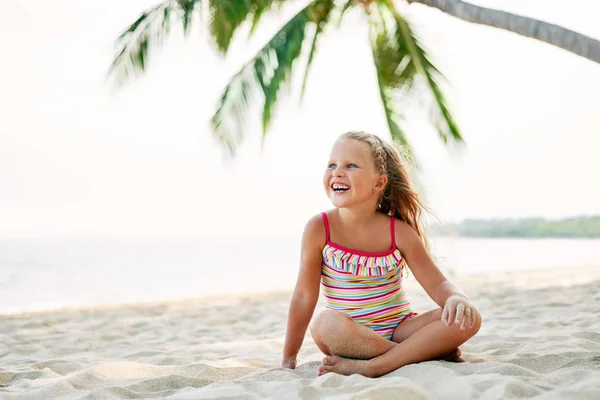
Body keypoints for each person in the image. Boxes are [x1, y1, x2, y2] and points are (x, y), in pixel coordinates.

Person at [281, 131, 482, 378]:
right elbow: (303, 297)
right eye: (332, 165)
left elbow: (439, 283)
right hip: (347, 337)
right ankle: (412, 354)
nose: (337, 172)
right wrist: (288, 359)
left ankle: (376, 365)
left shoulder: (399, 232)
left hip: (400, 329)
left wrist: (456, 298)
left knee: (469, 317)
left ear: (379, 183)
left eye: (351, 165)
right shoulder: (319, 228)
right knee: (325, 323)